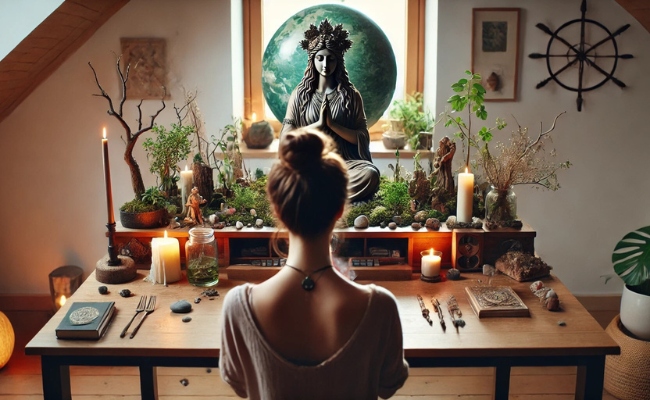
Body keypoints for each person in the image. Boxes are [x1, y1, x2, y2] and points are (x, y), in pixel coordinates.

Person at [219, 129, 409, 399]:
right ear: (341, 209)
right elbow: (389, 384)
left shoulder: (237, 308)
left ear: (277, 210)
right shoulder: (380, 308)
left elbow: (240, 383)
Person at [281, 19, 380, 202]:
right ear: (312, 60)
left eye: (331, 58)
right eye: (320, 58)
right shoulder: (300, 95)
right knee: (289, 178)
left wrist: (332, 125)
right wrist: (318, 125)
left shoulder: (352, 96)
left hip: (345, 165)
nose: (325, 64)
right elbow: (286, 140)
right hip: (309, 164)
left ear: (338, 61)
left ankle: (319, 198)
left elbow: (362, 136)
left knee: (369, 174)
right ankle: (332, 197)